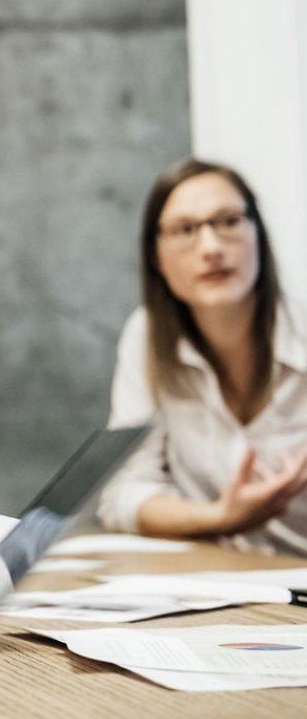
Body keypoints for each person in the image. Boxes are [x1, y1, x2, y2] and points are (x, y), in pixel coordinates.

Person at [98, 158, 307, 554]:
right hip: (217, 583)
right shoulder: (145, 336)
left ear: (258, 234)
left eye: (228, 222)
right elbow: (123, 491)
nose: (211, 248)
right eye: (185, 230)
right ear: (157, 257)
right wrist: (222, 517)